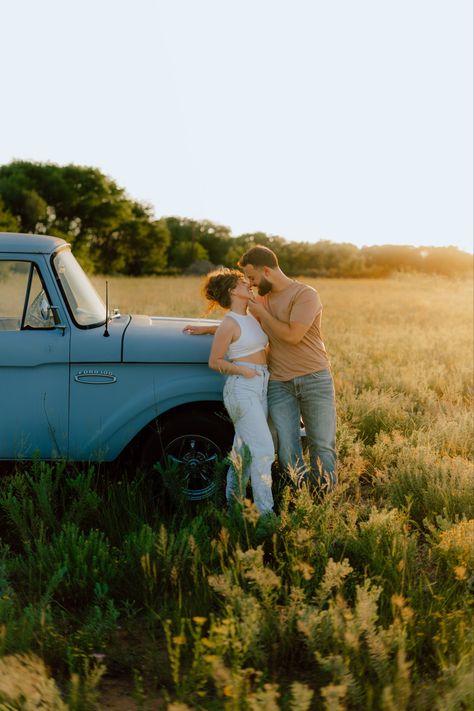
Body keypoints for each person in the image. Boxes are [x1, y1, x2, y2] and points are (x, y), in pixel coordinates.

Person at [185, 246, 337, 494]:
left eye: (252, 277)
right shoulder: (261, 300)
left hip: (314, 378)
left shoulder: (305, 294)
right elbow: (243, 326)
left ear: (266, 270)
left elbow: (292, 335)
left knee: (322, 444)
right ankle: (301, 498)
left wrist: (262, 313)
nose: (251, 284)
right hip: (278, 382)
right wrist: (210, 329)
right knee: (287, 450)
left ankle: (322, 499)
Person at [191, 267, 275, 516]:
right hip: (242, 388)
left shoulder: (248, 316)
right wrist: (242, 370)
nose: (249, 284)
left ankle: (232, 505)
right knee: (264, 451)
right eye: (242, 283)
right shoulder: (230, 321)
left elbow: (239, 332)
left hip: (260, 385)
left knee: (244, 451)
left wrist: (208, 329)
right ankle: (265, 514)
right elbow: (215, 361)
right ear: (232, 291)